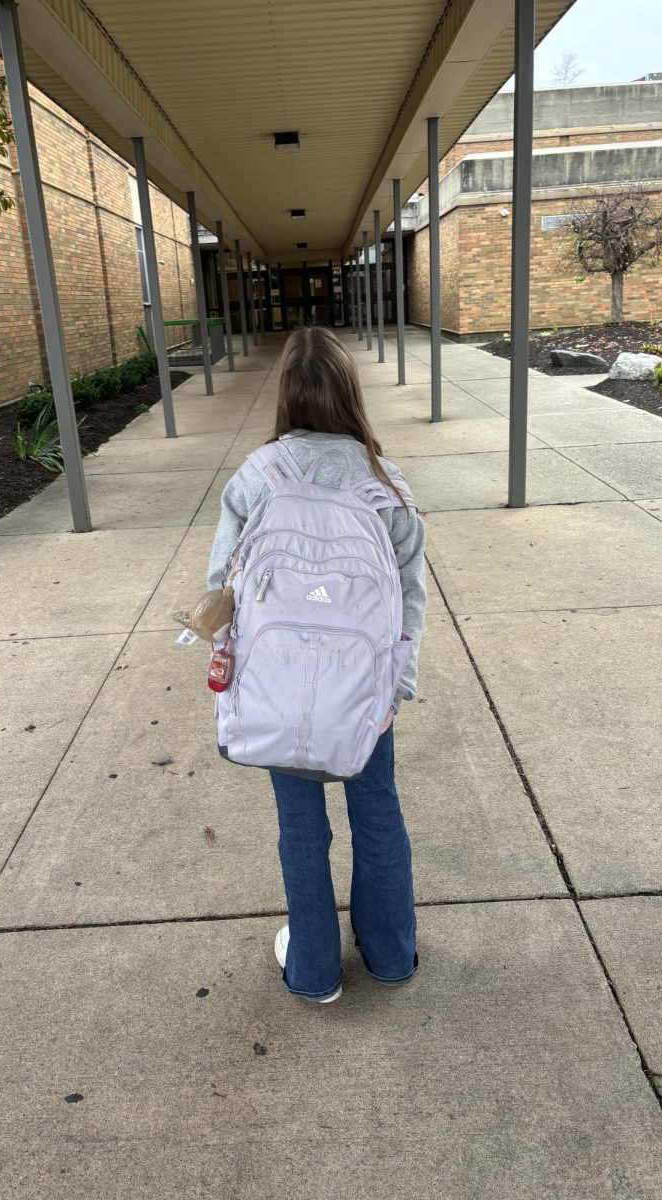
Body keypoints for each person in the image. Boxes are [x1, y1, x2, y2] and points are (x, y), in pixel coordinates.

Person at [207, 325, 427, 1004]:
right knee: (378, 812)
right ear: (349, 395)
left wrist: (223, 665)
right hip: (364, 694)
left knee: (301, 827)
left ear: (287, 398)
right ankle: (391, 955)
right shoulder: (386, 484)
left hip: (277, 691)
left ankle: (314, 970)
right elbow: (409, 596)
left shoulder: (257, 474)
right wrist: (396, 687)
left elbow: (222, 583)